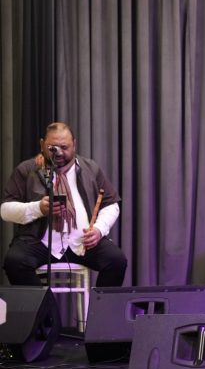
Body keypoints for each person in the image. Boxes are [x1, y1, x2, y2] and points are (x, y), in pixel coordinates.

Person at [2, 123, 127, 287]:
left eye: (64, 147)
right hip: (39, 243)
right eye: (52, 147)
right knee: (15, 262)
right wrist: (38, 209)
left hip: (81, 243)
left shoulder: (91, 168)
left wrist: (99, 229)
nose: (59, 152)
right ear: (42, 144)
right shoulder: (26, 170)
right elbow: (5, 210)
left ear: (74, 145)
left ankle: (99, 305)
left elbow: (111, 204)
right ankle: (47, 305)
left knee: (117, 260)